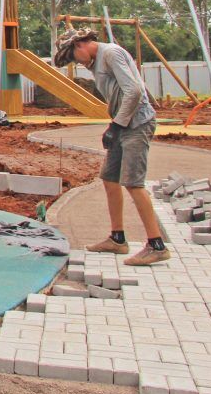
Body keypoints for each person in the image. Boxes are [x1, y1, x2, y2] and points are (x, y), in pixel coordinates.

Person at [54, 27, 169, 266]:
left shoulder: (111, 54)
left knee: (134, 183)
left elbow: (134, 90)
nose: (77, 62)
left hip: (136, 124)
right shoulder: (97, 60)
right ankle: (117, 239)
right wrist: (116, 125)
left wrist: (116, 125)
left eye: (74, 57)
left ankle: (156, 244)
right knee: (110, 178)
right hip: (121, 124)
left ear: (80, 46)